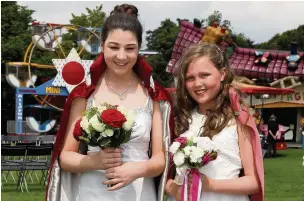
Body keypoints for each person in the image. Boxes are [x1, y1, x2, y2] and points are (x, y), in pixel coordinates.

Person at [45, 4, 174, 201]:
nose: (121, 56)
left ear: (139, 49)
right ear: (102, 45)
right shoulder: (85, 93)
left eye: (130, 48)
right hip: (92, 192)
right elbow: (66, 157)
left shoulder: (154, 95)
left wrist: (138, 169)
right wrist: (95, 161)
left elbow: (159, 158)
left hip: (140, 191)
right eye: (114, 47)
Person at [164, 43, 264, 201]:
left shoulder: (237, 119)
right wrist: (174, 188)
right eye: (190, 78)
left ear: (222, 74)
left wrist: (210, 184)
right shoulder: (179, 119)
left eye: (204, 75)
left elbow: (253, 182)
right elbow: (163, 176)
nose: (197, 84)